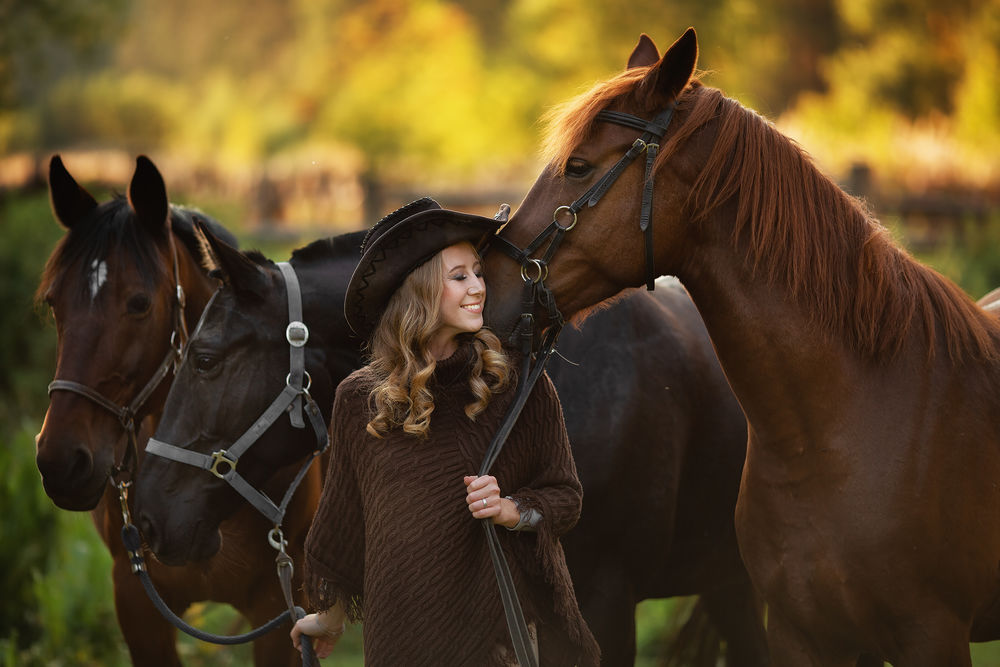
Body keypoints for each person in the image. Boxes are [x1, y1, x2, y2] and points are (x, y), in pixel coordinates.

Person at [290, 198, 600, 666]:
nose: (478, 287)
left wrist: (511, 509)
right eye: (460, 277)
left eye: (478, 272)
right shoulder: (361, 398)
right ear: (418, 291)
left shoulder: (516, 385)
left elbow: (565, 496)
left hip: (497, 644)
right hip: (399, 642)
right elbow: (344, 522)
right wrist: (329, 618)